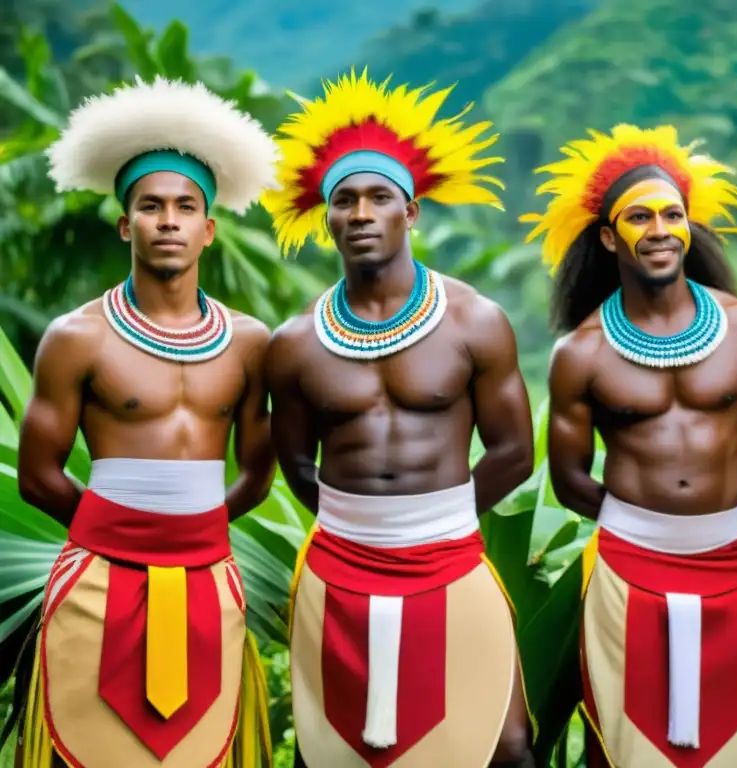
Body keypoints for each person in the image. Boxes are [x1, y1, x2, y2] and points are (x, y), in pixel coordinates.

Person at [261, 68, 536, 768]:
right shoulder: (295, 345)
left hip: (450, 552)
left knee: (505, 745)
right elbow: (294, 461)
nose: (360, 213)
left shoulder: (475, 322)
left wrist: (432, 521)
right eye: (344, 200)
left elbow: (513, 451)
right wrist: (364, 525)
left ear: (410, 211)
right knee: (331, 751)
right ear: (326, 217)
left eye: (379, 197)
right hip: (340, 562)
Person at [13, 76, 280, 768]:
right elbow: (39, 475)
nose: (168, 220)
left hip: (209, 576)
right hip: (98, 573)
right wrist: (120, 530)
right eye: (151, 206)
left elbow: (258, 466)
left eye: (185, 207)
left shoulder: (250, 341)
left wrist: (198, 526)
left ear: (209, 228)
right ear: (126, 224)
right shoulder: (78, 338)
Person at [524, 123, 737, 767]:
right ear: (607, 236)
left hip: (732, 559)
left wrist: (722, 511)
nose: (658, 229)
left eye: (672, 215)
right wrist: (647, 526)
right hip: (628, 566)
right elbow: (569, 478)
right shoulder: (582, 352)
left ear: (689, 227)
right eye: (639, 217)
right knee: (631, 736)